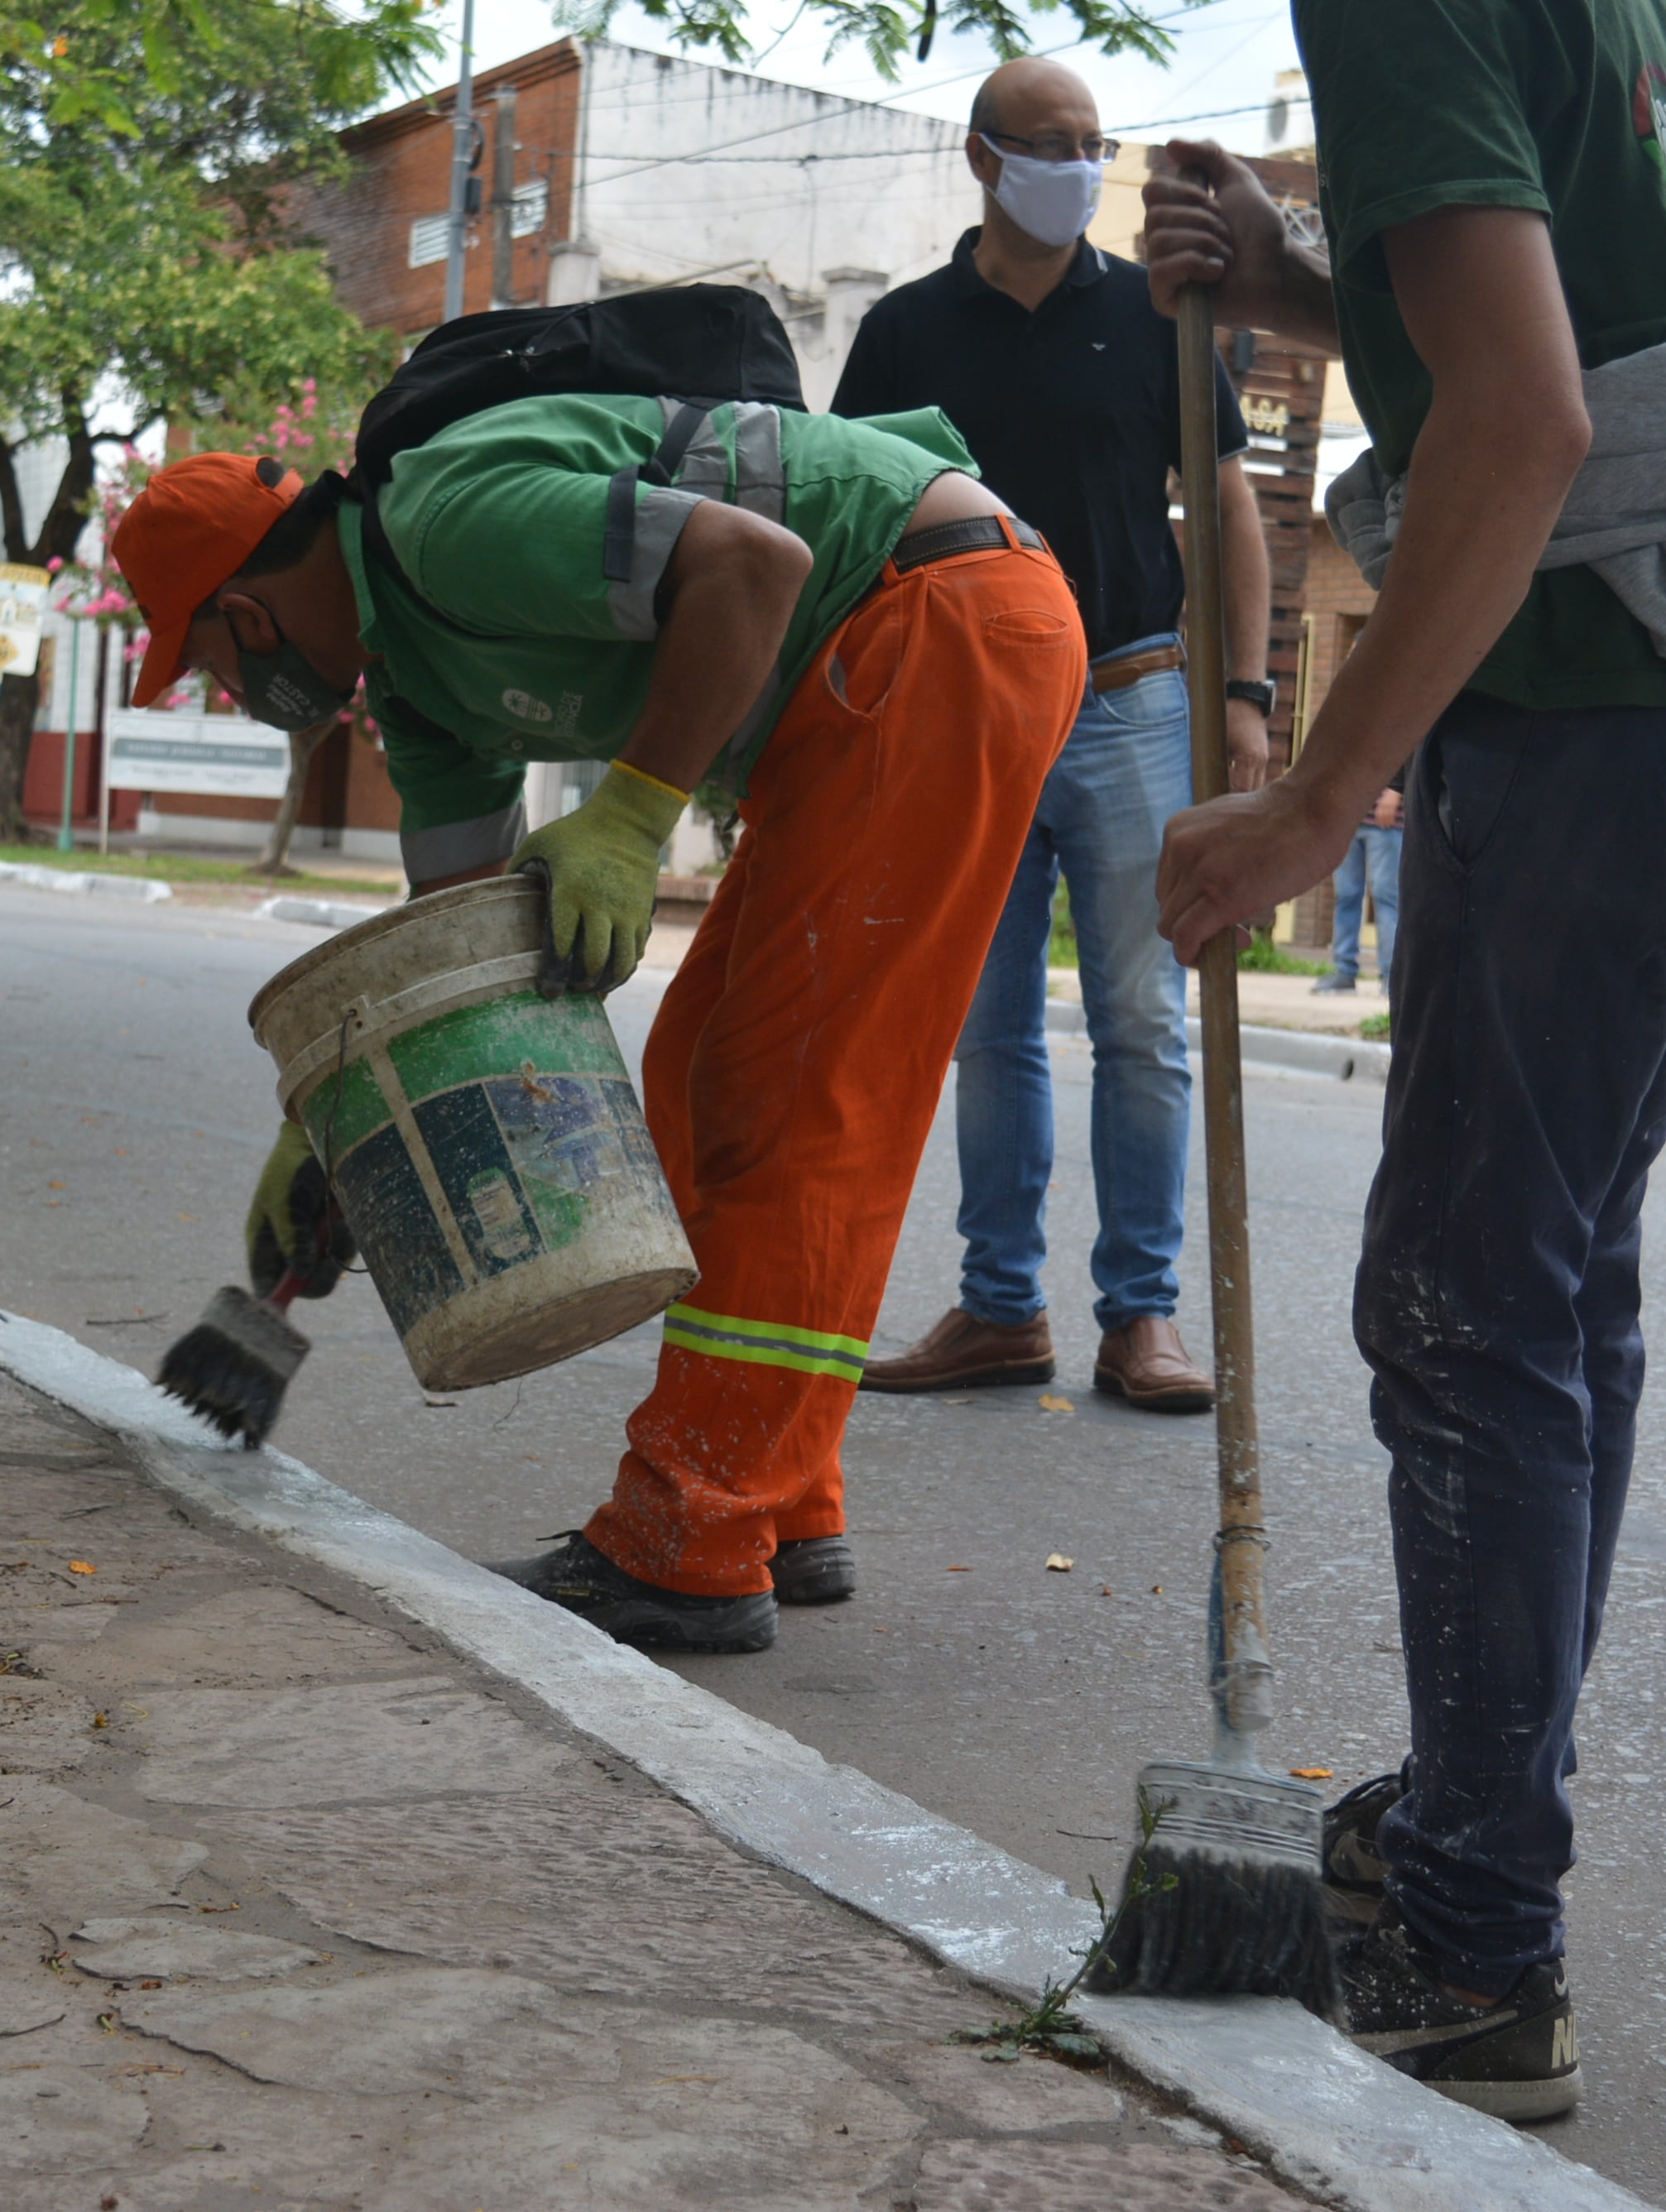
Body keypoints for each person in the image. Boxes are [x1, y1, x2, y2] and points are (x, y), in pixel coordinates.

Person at [949, 0, 1666, 2124]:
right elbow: (1555, 311)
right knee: (1546, 1282)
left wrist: (1306, 800)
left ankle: (1480, 1944)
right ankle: (1481, 1848)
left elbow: (1527, 418)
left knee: (1469, 1296)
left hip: (1612, 675)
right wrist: (1288, 279)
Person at [107, 395, 1083, 1655]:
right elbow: (459, 967)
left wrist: (630, 815)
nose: (237, 696)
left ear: (244, 614)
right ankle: (782, 1503)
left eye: (215, 668)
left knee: (788, 1104)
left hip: (940, 616)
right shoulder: (418, 693)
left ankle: (691, 1544)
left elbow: (753, 562)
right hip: (887, 652)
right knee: (693, 1079)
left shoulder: (444, 523)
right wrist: (350, 1129)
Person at [833, 56, 1269, 1418]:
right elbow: (849, 522)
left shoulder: (1159, 321)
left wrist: (1244, 698)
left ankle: (1142, 1317)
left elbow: (1228, 511)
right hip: (960, 713)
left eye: (1096, 144)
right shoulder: (906, 334)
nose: (1078, 166)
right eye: (1049, 143)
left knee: (1147, 1018)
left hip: (1136, 701)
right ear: (982, 158)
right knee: (987, 1023)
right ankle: (998, 1308)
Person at [1312, 780, 1401, 993]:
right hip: (1348, 819)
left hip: (1387, 822)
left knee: (1386, 898)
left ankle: (1392, 976)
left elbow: (1407, 751)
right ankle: (1344, 972)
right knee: (1346, 896)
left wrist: (1395, 793)